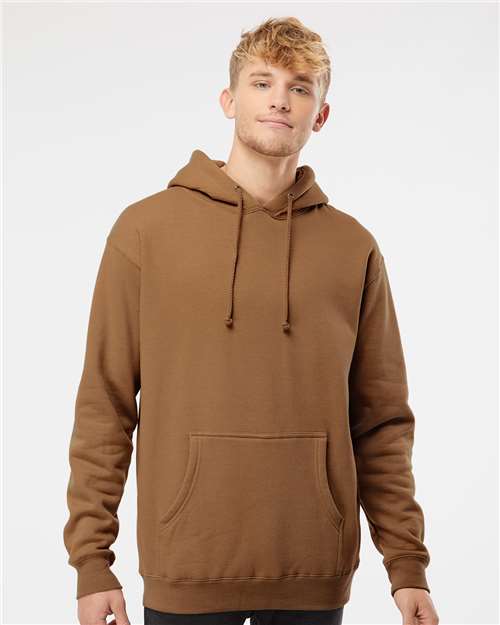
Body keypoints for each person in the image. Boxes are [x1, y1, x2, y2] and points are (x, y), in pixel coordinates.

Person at [63, 16, 439, 625]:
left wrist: (406, 564)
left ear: (320, 114)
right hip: (185, 566)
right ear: (229, 99)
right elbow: (104, 405)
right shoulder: (145, 232)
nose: (279, 100)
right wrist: (91, 561)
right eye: (262, 82)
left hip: (312, 575)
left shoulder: (353, 248)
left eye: (299, 87)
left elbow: (381, 420)